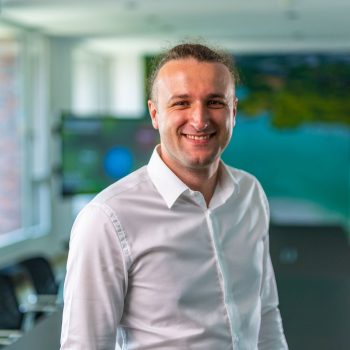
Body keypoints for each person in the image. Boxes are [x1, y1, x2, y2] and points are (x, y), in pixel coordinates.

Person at [60, 43, 288, 350]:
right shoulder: (106, 219)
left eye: (215, 102)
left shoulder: (250, 194)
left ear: (233, 111)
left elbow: (265, 311)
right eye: (181, 103)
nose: (199, 119)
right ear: (155, 114)